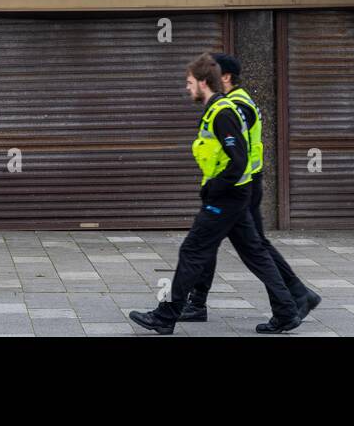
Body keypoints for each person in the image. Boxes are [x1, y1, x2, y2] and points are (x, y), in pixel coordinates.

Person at [129, 53, 301, 335]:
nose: (186, 88)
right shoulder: (216, 109)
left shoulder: (223, 113)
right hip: (235, 195)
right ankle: (287, 312)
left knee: (192, 250)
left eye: (189, 82)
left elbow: (239, 159)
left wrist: (214, 188)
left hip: (226, 198)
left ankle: (166, 315)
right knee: (255, 253)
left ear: (202, 82)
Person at [179, 53, 320, 323]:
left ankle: (295, 298)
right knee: (220, 244)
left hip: (240, 187)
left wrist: (220, 182)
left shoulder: (236, 105)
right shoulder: (229, 102)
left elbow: (235, 152)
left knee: (249, 247)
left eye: (213, 72)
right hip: (232, 186)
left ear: (226, 77)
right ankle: (198, 302)